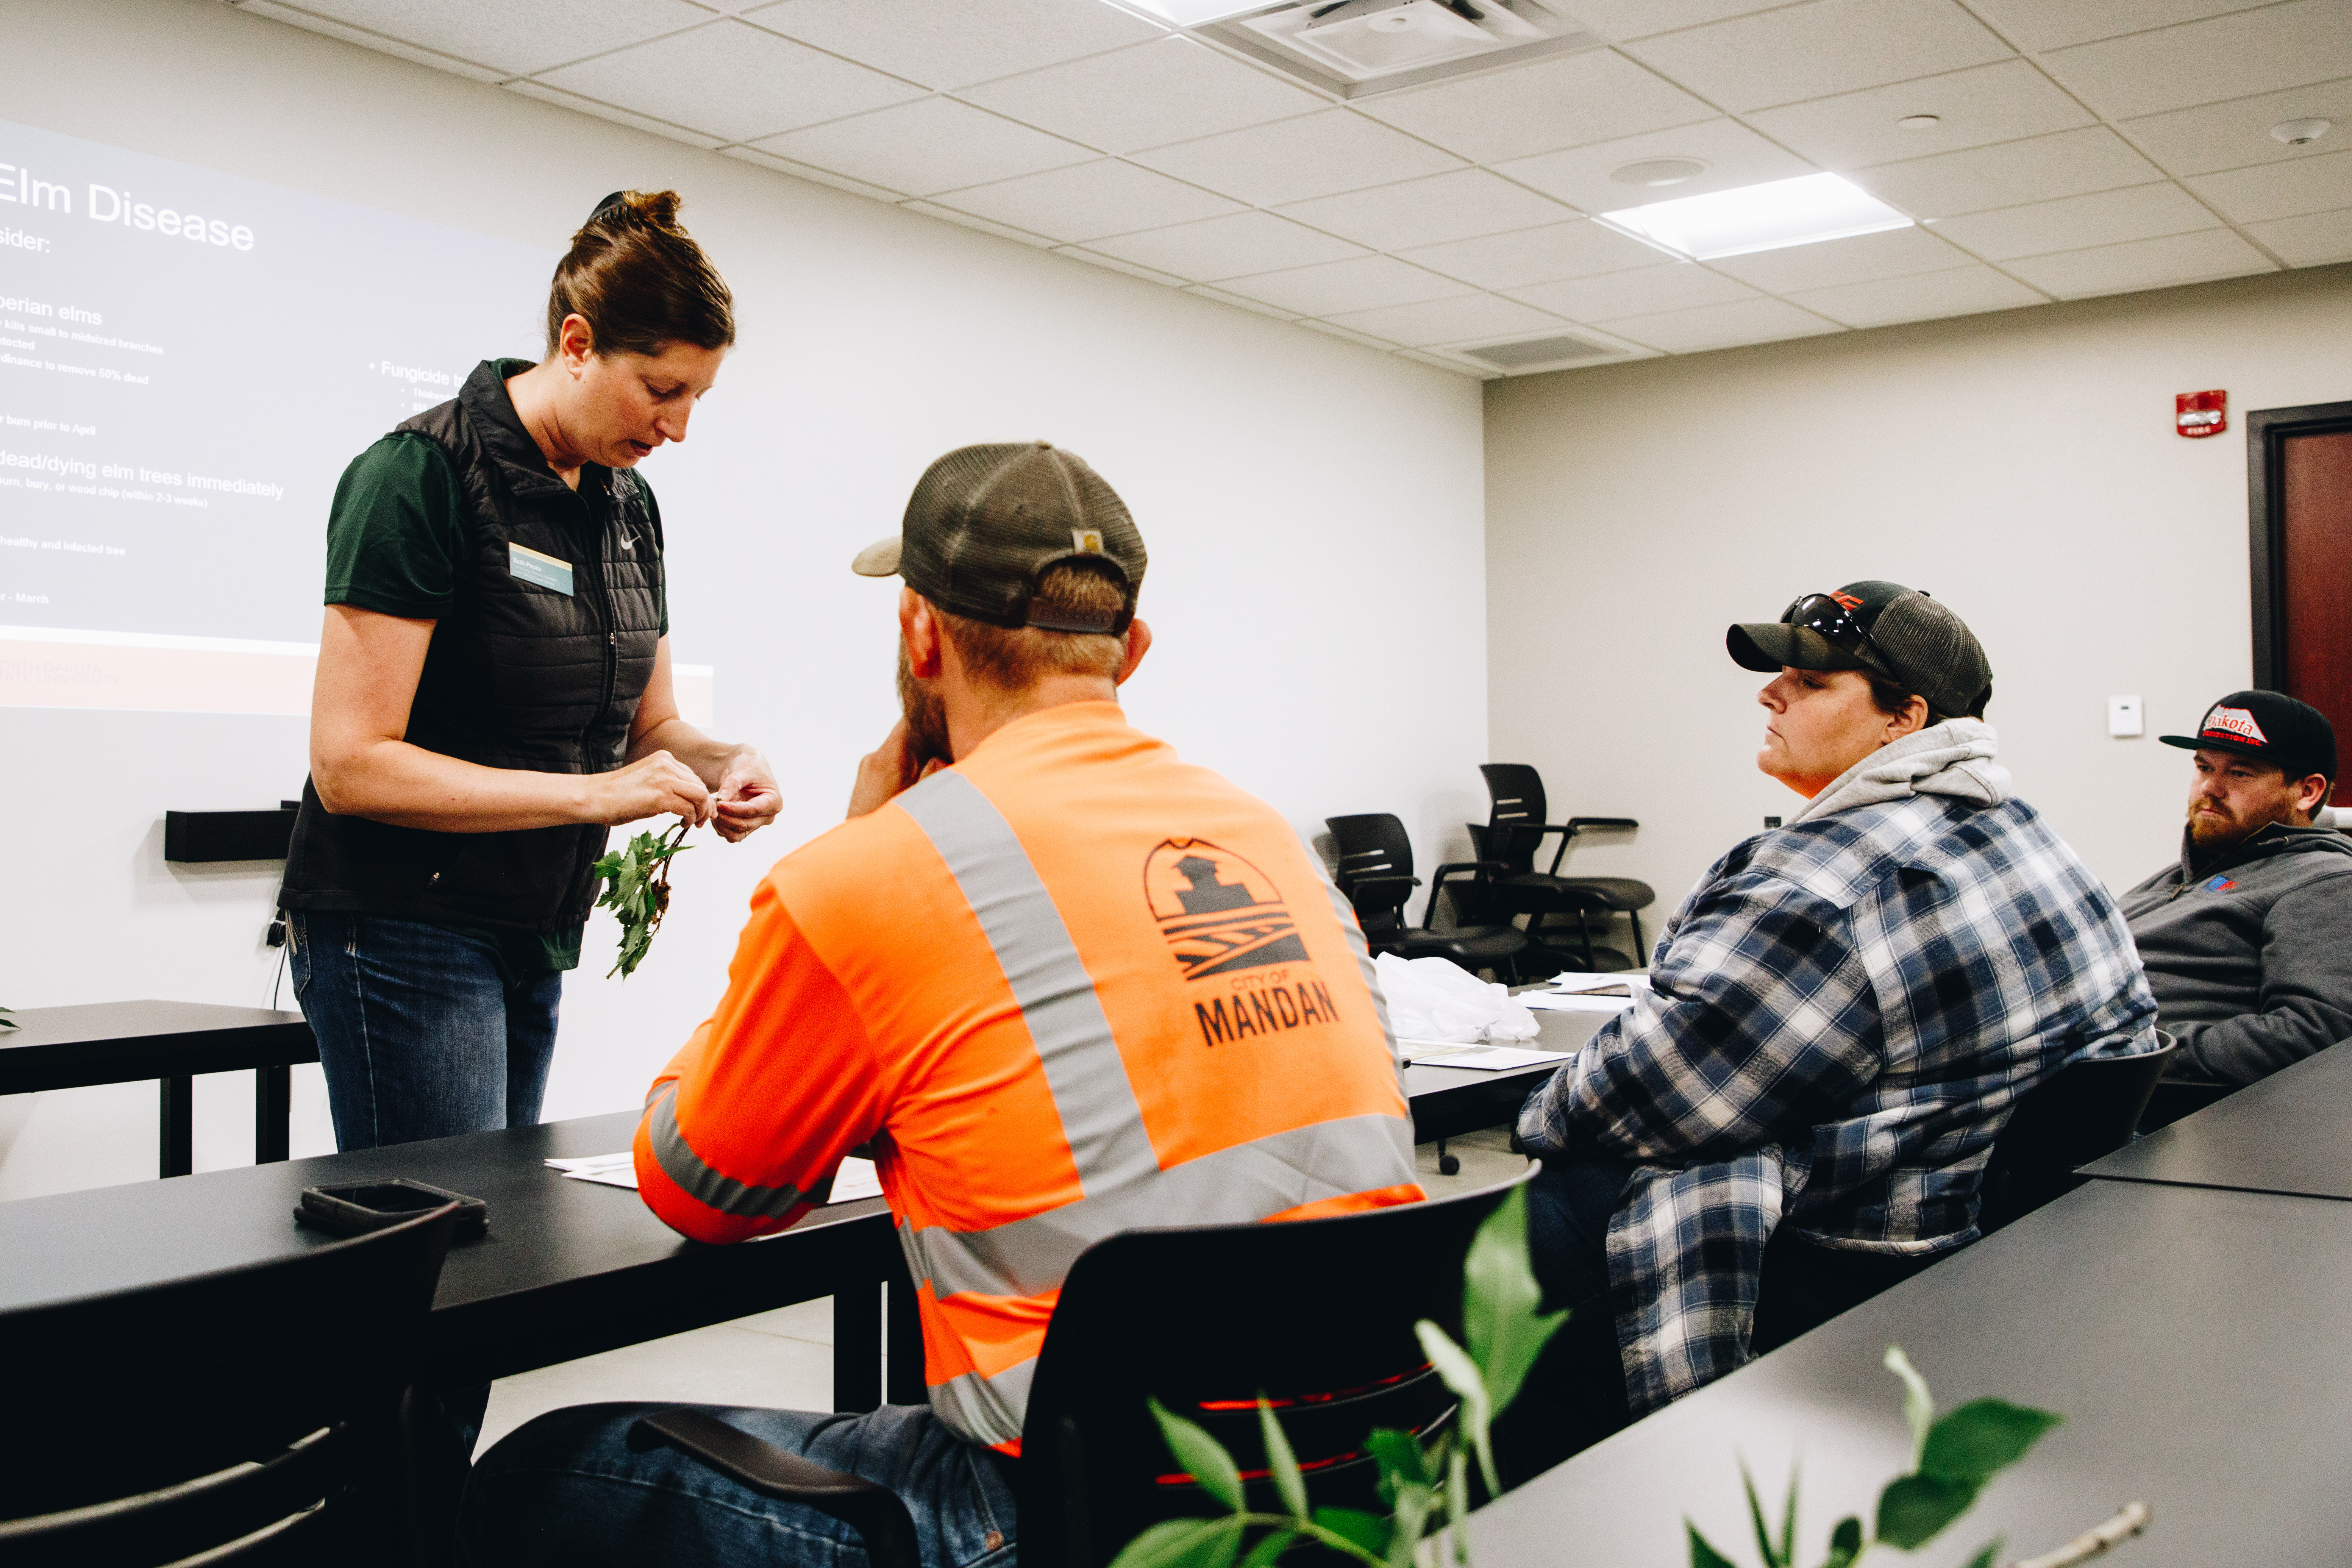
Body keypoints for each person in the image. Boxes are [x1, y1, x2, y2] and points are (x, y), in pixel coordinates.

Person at [456, 441, 1423, 1566]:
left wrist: (845, 875)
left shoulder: (877, 875)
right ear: (1133, 651)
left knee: (548, 1472)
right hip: (1365, 1492)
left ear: (920, 635)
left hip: (1075, 1520)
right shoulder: (1272, 839)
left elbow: (701, 1190)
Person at [1511, 581, 2157, 1430]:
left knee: (1508, 1234)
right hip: (2014, 1252)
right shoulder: (2024, 829)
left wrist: (1531, 1109)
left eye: (1813, 683)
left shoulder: (1827, 880)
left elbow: (1637, 1096)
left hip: (1862, 1257)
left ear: (1904, 719)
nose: (1770, 692)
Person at [279, 190, 781, 1154]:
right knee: (442, 1247)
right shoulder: (417, 476)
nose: (677, 428)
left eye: (696, 400)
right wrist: (593, 796)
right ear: (579, 343)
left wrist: (720, 764)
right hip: (401, 922)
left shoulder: (629, 505)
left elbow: (652, 729)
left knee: (501, 1244)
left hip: (531, 923)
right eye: (660, 389)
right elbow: (350, 765)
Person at [2119, 691, 2352, 1085]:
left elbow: (2317, 1033)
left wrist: (2133, 1051)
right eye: (2204, 767)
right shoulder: (2174, 878)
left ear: (2307, 791)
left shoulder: (2323, 880)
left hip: (2146, 1117)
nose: (2211, 787)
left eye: (2239, 773)